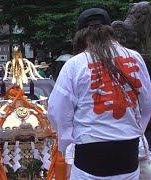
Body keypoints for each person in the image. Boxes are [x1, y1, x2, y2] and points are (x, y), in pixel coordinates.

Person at [48, 8, 151, 179]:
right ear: (109, 31)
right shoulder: (135, 58)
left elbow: (57, 110)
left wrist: (68, 142)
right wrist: (134, 130)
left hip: (90, 154)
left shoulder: (75, 64)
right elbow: (146, 103)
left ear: (81, 36)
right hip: (128, 152)